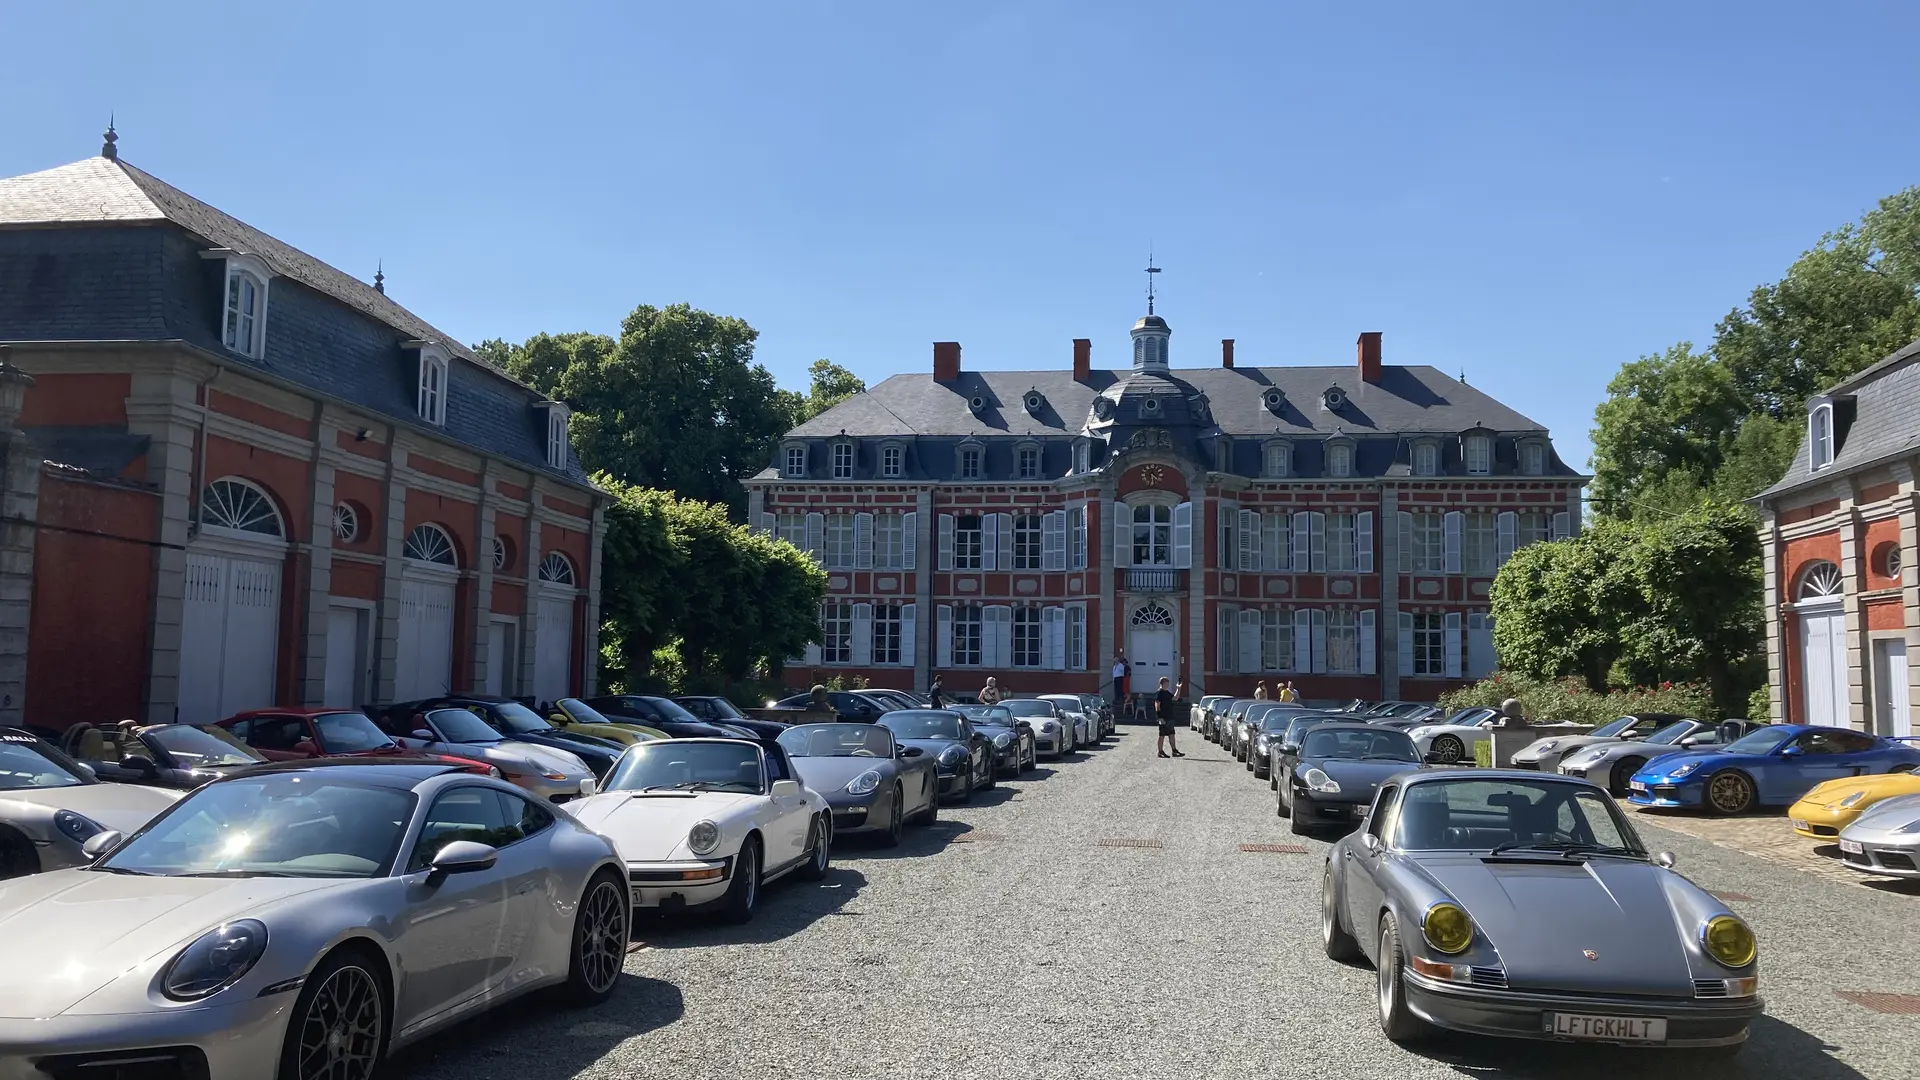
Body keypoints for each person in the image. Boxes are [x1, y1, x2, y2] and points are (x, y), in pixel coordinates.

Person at [1154, 677, 1184, 758]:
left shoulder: (1167, 692)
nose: (1168, 685)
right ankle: (1160, 751)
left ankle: (1174, 750)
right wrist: (1159, 717)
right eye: (1167, 683)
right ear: (1162, 683)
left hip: (1170, 716)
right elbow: (1157, 704)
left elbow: (1175, 698)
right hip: (1163, 717)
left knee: (1172, 734)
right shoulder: (1159, 693)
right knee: (1162, 735)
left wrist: (1178, 688)